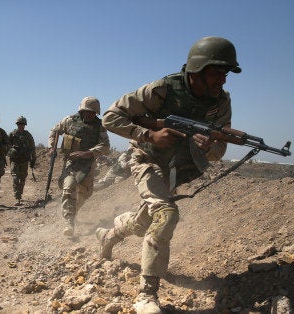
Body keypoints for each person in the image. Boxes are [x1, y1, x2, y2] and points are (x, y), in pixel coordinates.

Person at [97, 36, 241, 312]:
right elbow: (111, 117)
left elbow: (218, 151)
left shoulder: (221, 103)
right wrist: (149, 134)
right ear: (197, 69)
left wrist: (209, 145)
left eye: (226, 74)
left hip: (176, 169)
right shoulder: (163, 89)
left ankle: (109, 235)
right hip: (145, 158)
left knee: (143, 224)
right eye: (217, 73)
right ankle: (146, 294)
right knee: (166, 215)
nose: (222, 81)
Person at [48, 96, 110, 236]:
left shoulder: (99, 126)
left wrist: (87, 153)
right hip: (71, 162)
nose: (90, 114)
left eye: (93, 112)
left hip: (88, 163)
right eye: (87, 111)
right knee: (69, 187)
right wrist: (52, 147)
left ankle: (73, 211)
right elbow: (55, 131)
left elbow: (105, 146)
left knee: (86, 192)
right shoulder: (69, 121)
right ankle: (69, 222)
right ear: (81, 110)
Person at [8, 116, 37, 206]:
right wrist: (11, 150)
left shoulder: (28, 135)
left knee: (22, 179)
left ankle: (20, 194)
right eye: (19, 124)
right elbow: (6, 145)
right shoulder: (12, 134)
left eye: (22, 124)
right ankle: (18, 197)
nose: (21, 125)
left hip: (24, 160)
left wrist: (33, 159)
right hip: (15, 160)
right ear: (17, 124)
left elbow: (32, 147)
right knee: (15, 178)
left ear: (25, 125)